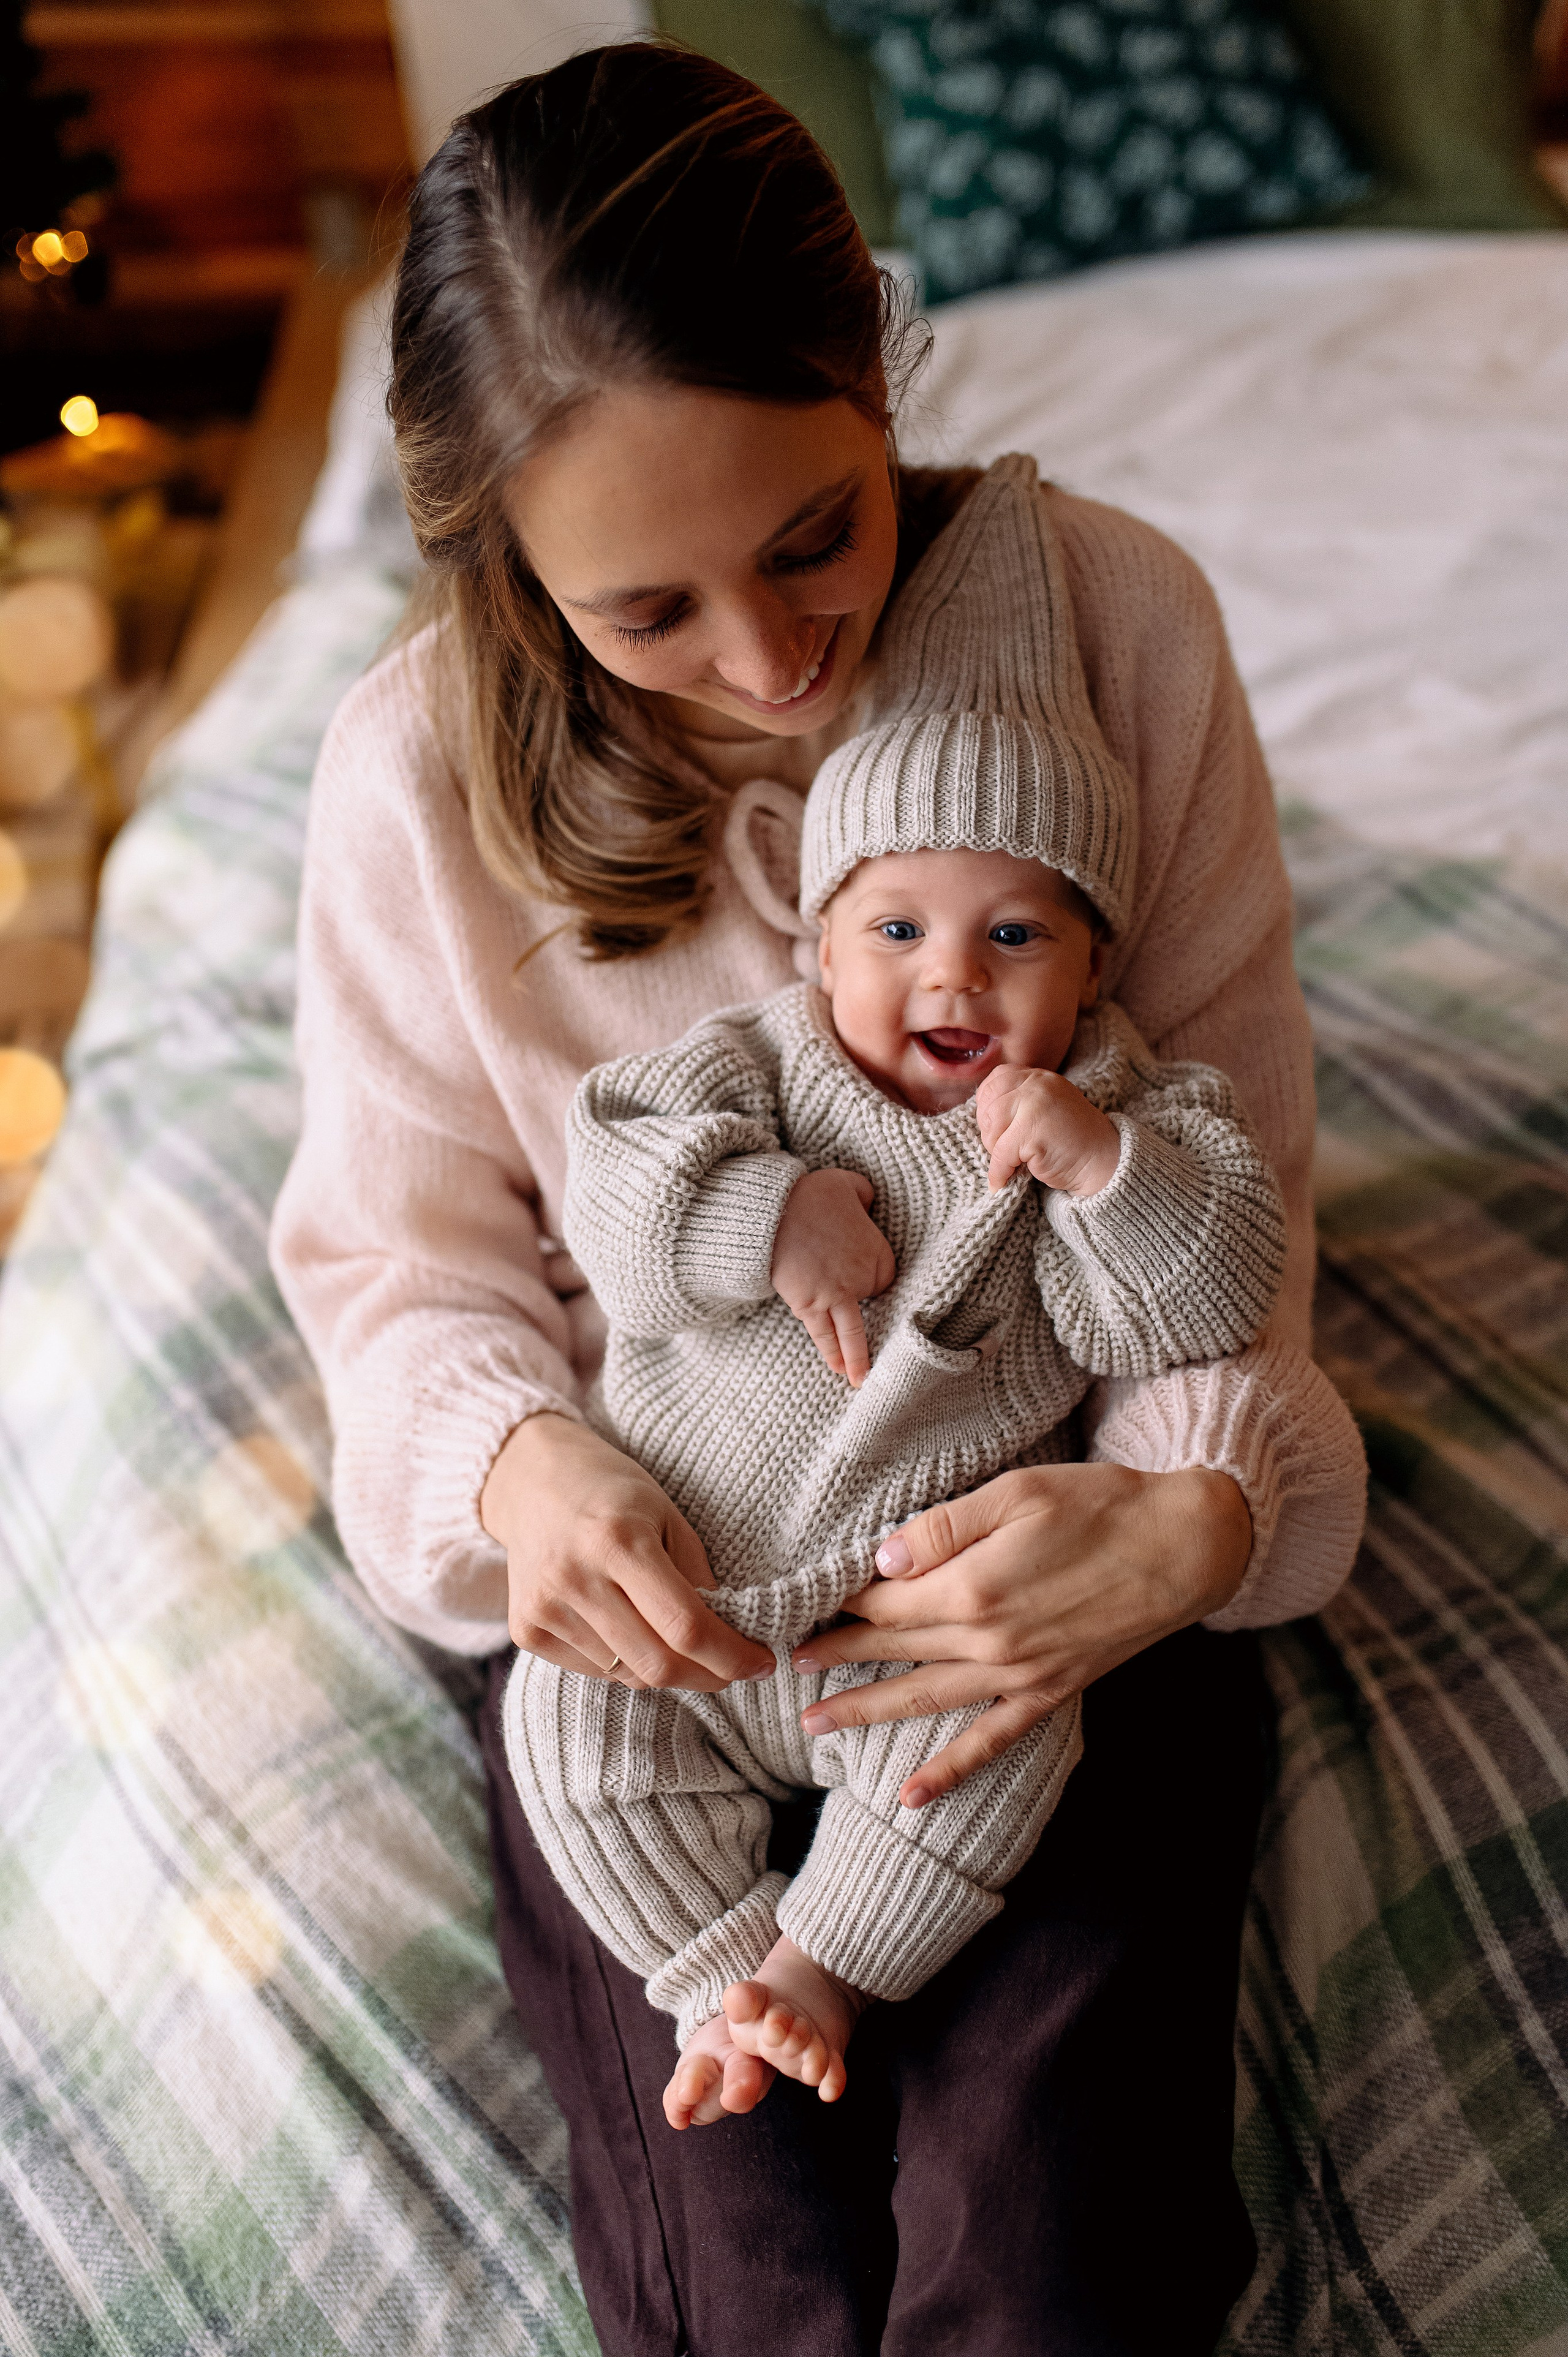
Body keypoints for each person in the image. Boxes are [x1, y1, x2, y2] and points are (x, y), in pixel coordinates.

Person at [270, 39, 1367, 2357]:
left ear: (879, 369)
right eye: (648, 614)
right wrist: (518, 1459)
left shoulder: (1120, 635)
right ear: (503, 566)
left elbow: (1227, 1211)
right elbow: (404, 1266)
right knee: (740, 2256)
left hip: (1028, 1562)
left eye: (816, 540)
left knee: (1053, 2241)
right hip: (654, 1588)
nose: (773, 667)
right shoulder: (410, 777)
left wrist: (1177, 1528)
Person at [503, 451, 1289, 2137]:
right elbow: (613, 1190)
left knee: (1004, 1751)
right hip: (686, 1591)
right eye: (904, 927)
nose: (954, 973)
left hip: (920, 1628)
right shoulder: (760, 1068)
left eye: (1020, 937)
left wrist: (1102, 1173)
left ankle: (825, 1969)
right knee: (563, 1728)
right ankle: (718, 1971)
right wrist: (761, 1214)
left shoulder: (1130, 1113)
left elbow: (1206, 1309)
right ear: (821, 933)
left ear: (1092, 963)